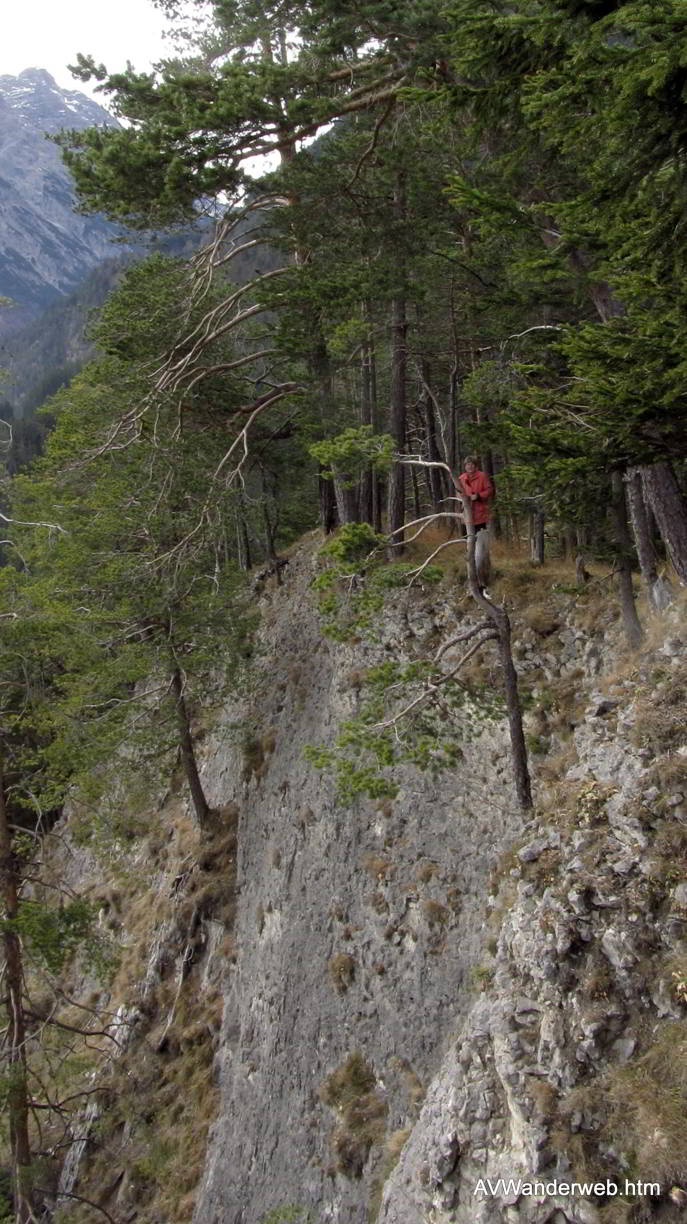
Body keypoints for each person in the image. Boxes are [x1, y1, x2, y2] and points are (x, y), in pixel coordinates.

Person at [454, 456, 494, 590]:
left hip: (480, 517)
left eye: (471, 464)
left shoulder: (482, 476)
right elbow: (458, 495)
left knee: (480, 552)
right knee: (469, 550)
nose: (469, 467)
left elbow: (489, 491)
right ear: (465, 466)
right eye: (467, 465)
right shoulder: (461, 478)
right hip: (466, 518)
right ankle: (471, 579)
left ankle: (483, 579)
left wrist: (478, 496)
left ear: (475, 465)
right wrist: (463, 499)